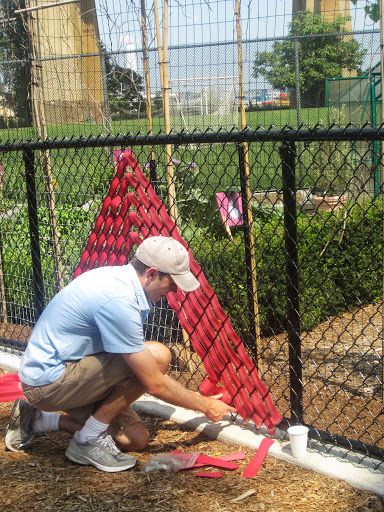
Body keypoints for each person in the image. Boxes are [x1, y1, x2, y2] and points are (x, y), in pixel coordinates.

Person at [5, 236, 235, 472]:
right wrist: (205, 405)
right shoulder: (119, 300)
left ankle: (38, 420)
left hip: (72, 370)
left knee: (135, 439)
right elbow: (154, 383)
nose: (174, 291)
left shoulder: (123, 281)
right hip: (50, 382)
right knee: (157, 357)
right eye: (172, 283)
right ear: (152, 273)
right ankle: (87, 441)